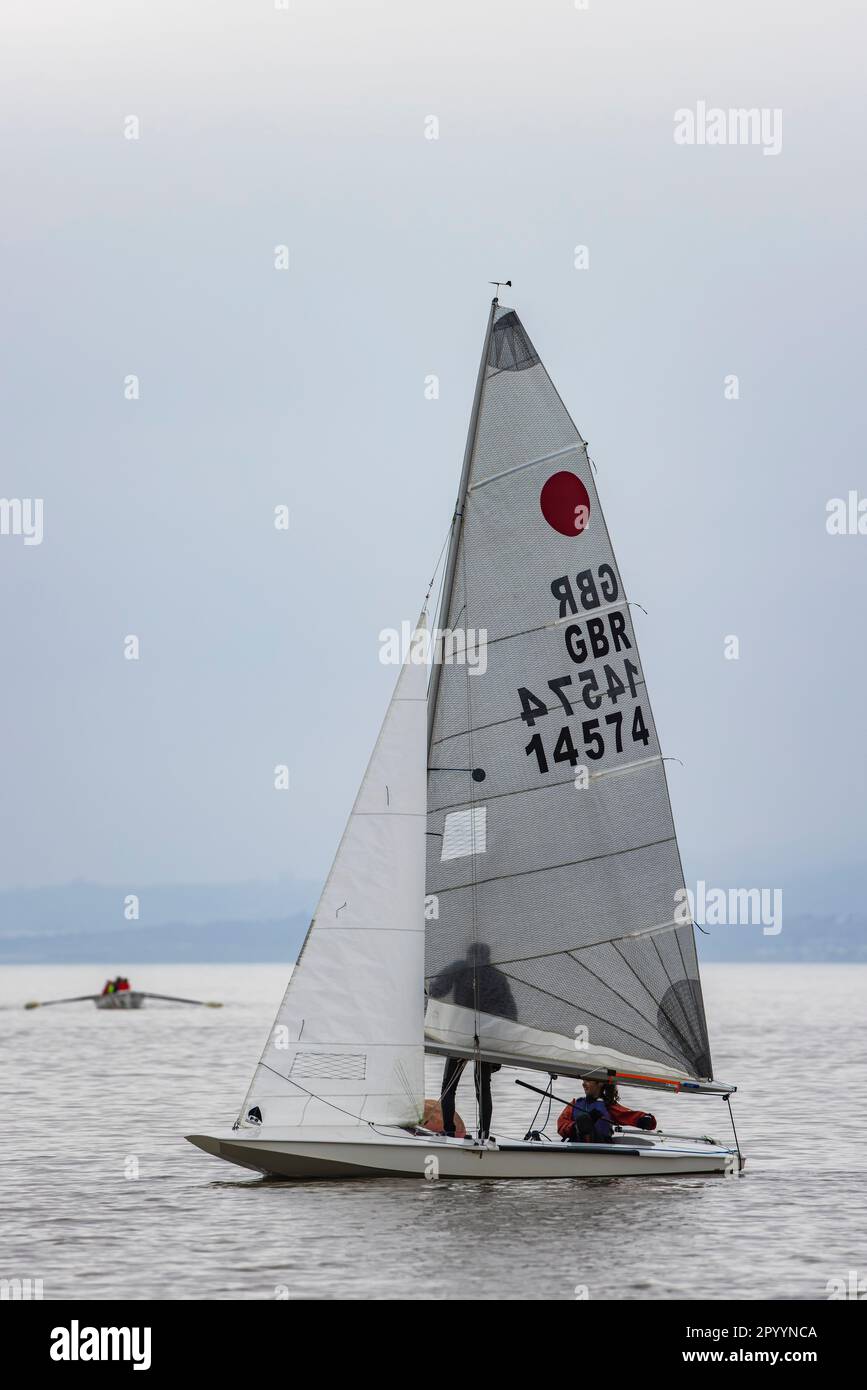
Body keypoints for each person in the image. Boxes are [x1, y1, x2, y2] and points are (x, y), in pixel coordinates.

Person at [428, 942, 517, 1140]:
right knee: (483, 1087)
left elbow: (437, 990)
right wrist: (501, 1041)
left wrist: (427, 989)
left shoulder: (461, 968)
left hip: (461, 1035)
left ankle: (450, 1132)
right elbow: (511, 1012)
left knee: (449, 1086)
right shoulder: (497, 977)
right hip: (484, 1038)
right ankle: (484, 1135)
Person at [557, 1079, 656, 1142]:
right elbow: (561, 1125)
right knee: (583, 1119)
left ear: (600, 1083)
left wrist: (645, 1120)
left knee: (584, 1119)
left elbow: (629, 1115)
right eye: (583, 1080)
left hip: (600, 1147)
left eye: (587, 1080)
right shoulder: (575, 1104)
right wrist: (575, 1126)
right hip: (576, 1148)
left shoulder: (608, 1106)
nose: (583, 1084)